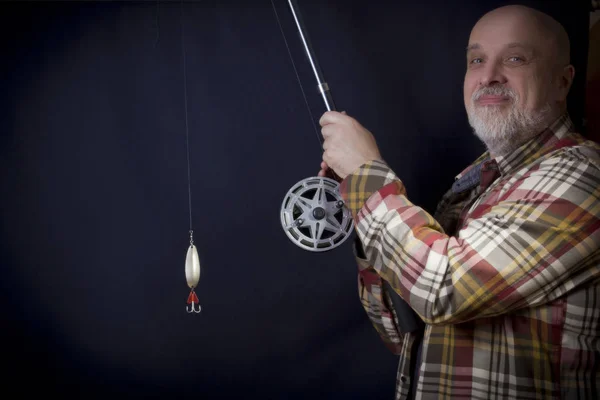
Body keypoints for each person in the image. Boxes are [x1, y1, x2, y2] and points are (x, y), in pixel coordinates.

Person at [318, 4, 600, 399]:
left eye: (515, 58)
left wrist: (366, 176)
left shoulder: (585, 176)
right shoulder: (478, 180)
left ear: (562, 82)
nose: (489, 76)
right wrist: (359, 197)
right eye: (476, 59)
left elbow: (441, 289)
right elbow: (403, 333)